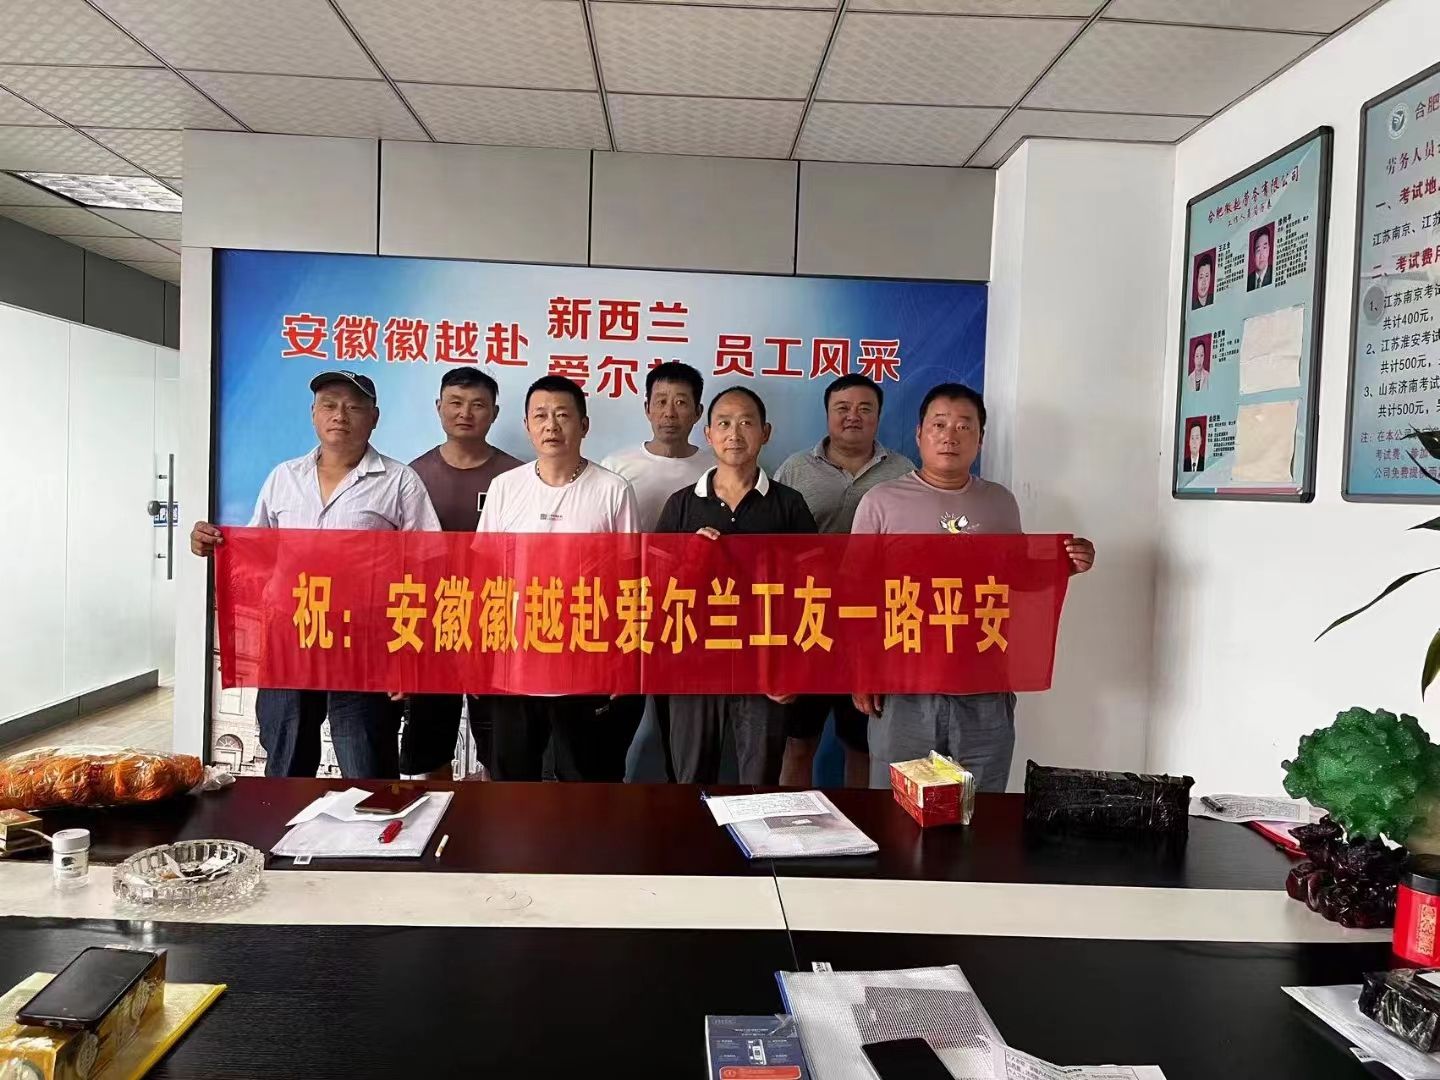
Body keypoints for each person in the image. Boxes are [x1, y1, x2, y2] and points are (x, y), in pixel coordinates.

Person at [189, 371, 441, 779]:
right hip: (290, 637)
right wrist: (213, 543)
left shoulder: (399, 482)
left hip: (365, 643)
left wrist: (408, 652)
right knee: (286, 764)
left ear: (374, 417)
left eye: (354, 406)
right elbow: (256, 553)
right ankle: (287, 825)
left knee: (367, 766)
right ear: (313, 413)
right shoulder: (284, 477)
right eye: (329, 405)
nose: (340, 415)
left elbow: (426, 570)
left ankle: (368, 824)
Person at [849, 383, 1095, 793]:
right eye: (939, 424)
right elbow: (856, 592)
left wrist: (1064, 566)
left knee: (979, 807)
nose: (950, 436)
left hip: (984, 682)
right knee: (897, 809)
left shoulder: (1000, 503)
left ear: (980, 439)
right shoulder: (882, 501)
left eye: (964, 427)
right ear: (919, 434)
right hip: (905, 684)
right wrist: (862, 671)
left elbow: (1014, 580)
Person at [477, 375, 641, 782]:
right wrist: (480, 655)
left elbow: (630, 581)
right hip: (515, 663)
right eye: (541, 416)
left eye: (563, 415)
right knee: (512, 782)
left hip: (586, 660)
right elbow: (485, 576)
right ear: (527, 425)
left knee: (586, 782)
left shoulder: (613, 490)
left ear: (583, 425)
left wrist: (624, 659)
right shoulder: (504, 488)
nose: (551, 425)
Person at [656, 387, 818, 785]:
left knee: (760, 782)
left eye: (746, 422)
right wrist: (690, 558)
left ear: (765, 432)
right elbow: (655, 588)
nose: (734, 433)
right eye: (724, 423)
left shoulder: (789, 505)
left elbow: (813, 592)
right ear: (708, 434)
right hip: (694, 663)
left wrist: (795, 666)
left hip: (765, 663)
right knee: (690, 780)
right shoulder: (681, 505)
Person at [774, 373, 915, 789]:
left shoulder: (903, 471)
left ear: (878, 416)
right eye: (843, 408)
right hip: (809, 621)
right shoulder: (795, 468)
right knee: (799, 740)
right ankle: (791, 820)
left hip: (871, 626)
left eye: (864, 408)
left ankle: (860, 821)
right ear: (827, 414)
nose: (853, 416)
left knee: (862, 743)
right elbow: (773, 542)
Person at [404, 366, 523, 780]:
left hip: (496, 621)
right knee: (429, 734)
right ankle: (436, 813)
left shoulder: (518, 477)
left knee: (497, 738)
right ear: (439, 407)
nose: (465, 413)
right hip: (431, 624)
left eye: (477, 405)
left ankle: (492, 815)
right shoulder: (412, 476)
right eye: (455, 403)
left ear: (494, 413)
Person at [600, 362, 712, 781]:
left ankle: (680, 803)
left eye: (681, 402)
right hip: (627, 608)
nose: (670, 412)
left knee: (679, 728)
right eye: (661, 401)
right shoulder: (616, 465)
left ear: (698, 412)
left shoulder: (715, 467)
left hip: (687, 614)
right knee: (616, 717)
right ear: (646, 407)